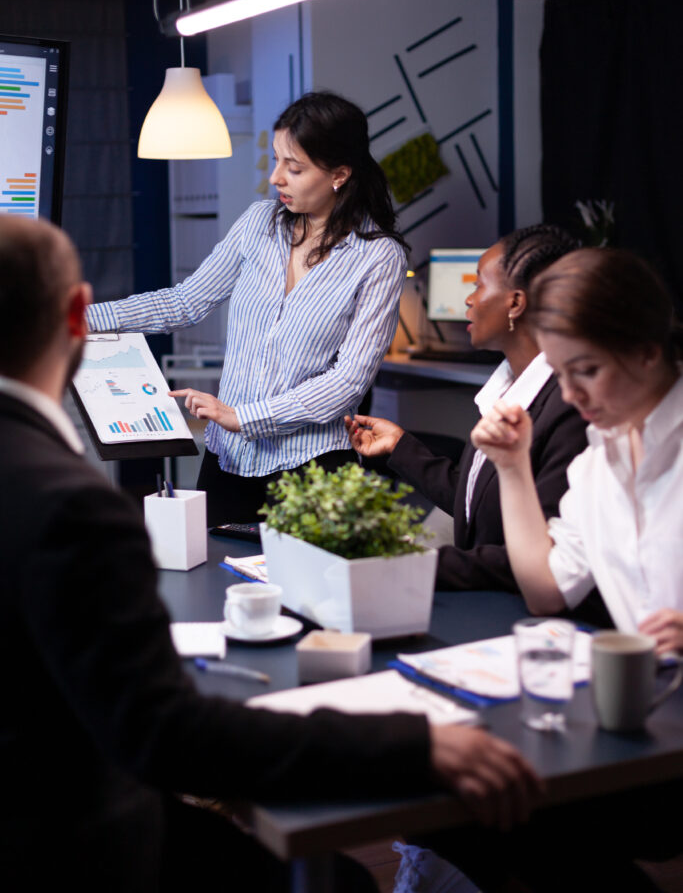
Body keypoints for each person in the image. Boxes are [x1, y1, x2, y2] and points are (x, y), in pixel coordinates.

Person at [0, 216, 542, 890]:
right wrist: (413, 744)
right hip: (64, 842)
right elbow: (166, 733)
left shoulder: (372, 260)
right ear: (78, 316)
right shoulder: (70, 507)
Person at [87, 91, 410, 526]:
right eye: (275, 160)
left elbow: (349, 381)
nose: (276, 177)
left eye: (293, 168)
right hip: (229, 459)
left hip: (312, 467)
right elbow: (186, 302)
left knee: (297, 592)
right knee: (210, 582)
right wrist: (81, 318)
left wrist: (244, 417)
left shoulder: (379, 257)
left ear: (340, 174)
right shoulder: (259, 223)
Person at [345, 225, 592, 599]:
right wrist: (399, 447)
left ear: (515, 303)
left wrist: (411, 563)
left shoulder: (570, 408)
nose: (469, 299)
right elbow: (476, 507)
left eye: (478, 284)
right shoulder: (507, 386)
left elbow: (537, 556)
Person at [470, 246, 683, 651]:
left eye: (587, 370)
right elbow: (546, 592)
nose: (570, 394)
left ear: (648, 352)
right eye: (561, 373)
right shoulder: (598, 462)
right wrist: (513, 466)